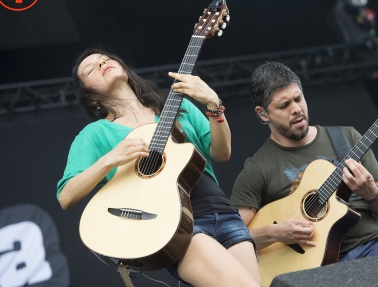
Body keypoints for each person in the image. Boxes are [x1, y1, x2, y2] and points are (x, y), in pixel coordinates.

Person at [56, 48, 261, 287]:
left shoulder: (176, 106)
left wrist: (213, 104)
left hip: (224, 212)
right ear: (90, 97)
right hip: (178, 227)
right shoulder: (95, 134)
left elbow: (221, 153)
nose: (102, 64)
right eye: (91, 69)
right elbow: (66, 196)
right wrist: (111, 158)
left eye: (106, 60)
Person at [230, 61, 378, 272]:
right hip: (318, 271)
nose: (296, 109)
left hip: (373, 248)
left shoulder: (347, 138)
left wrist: (372, 193)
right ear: (263, 114)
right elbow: (231, 237)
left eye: (298, 99)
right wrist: (274, 233)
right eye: (284, 105)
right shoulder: (258, 167)